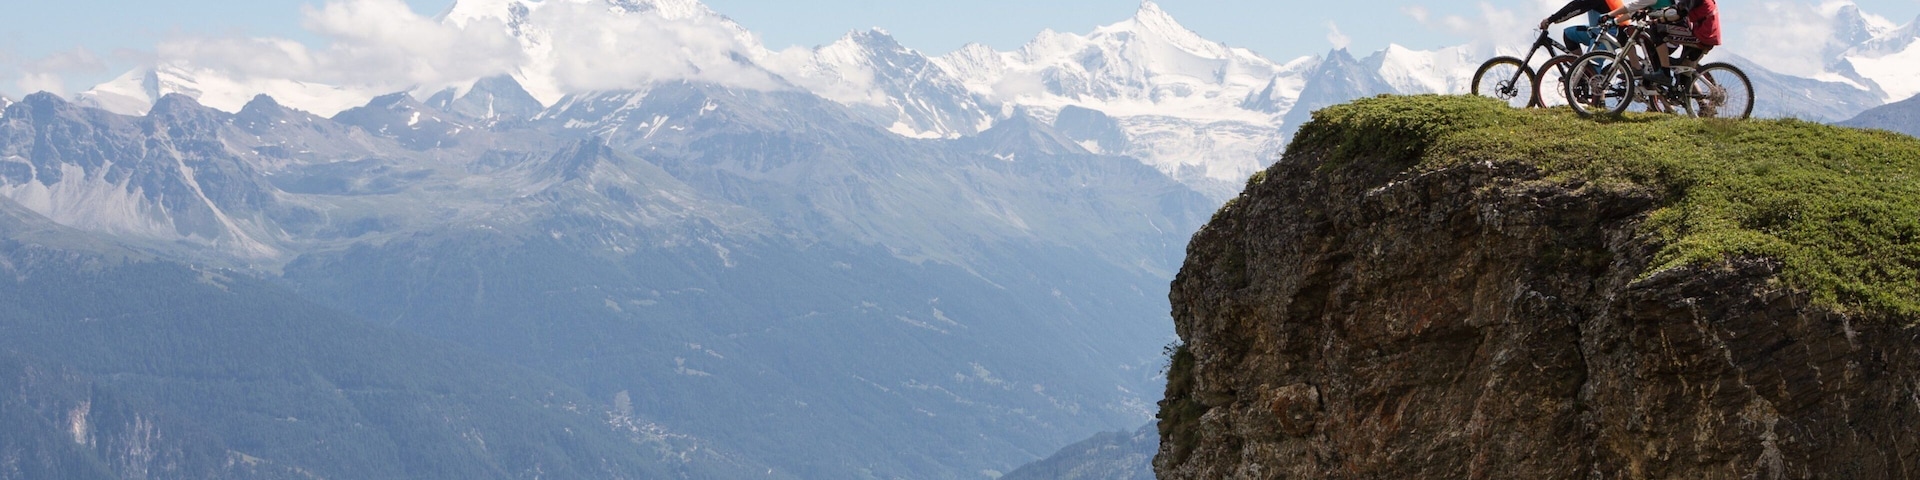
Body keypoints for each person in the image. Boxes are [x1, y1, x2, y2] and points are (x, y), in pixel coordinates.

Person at [1607, 0, 1721, 86]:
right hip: (1702, 33)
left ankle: (1664, 73)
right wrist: (1615, 20)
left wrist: (1657, 21)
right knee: (1683, 77)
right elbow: (1635, 10)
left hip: (1702, 35)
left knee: (1656, 30)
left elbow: (1678, 12)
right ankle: (1700, 104)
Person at [1538, 0, 1619, 57]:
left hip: (1609, 35)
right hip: (1595, 31)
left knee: (1589, 67)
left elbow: (1576, 6)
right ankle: (1579, 71)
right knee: (1569, 34)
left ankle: (1587, 72)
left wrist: (1551, 19)